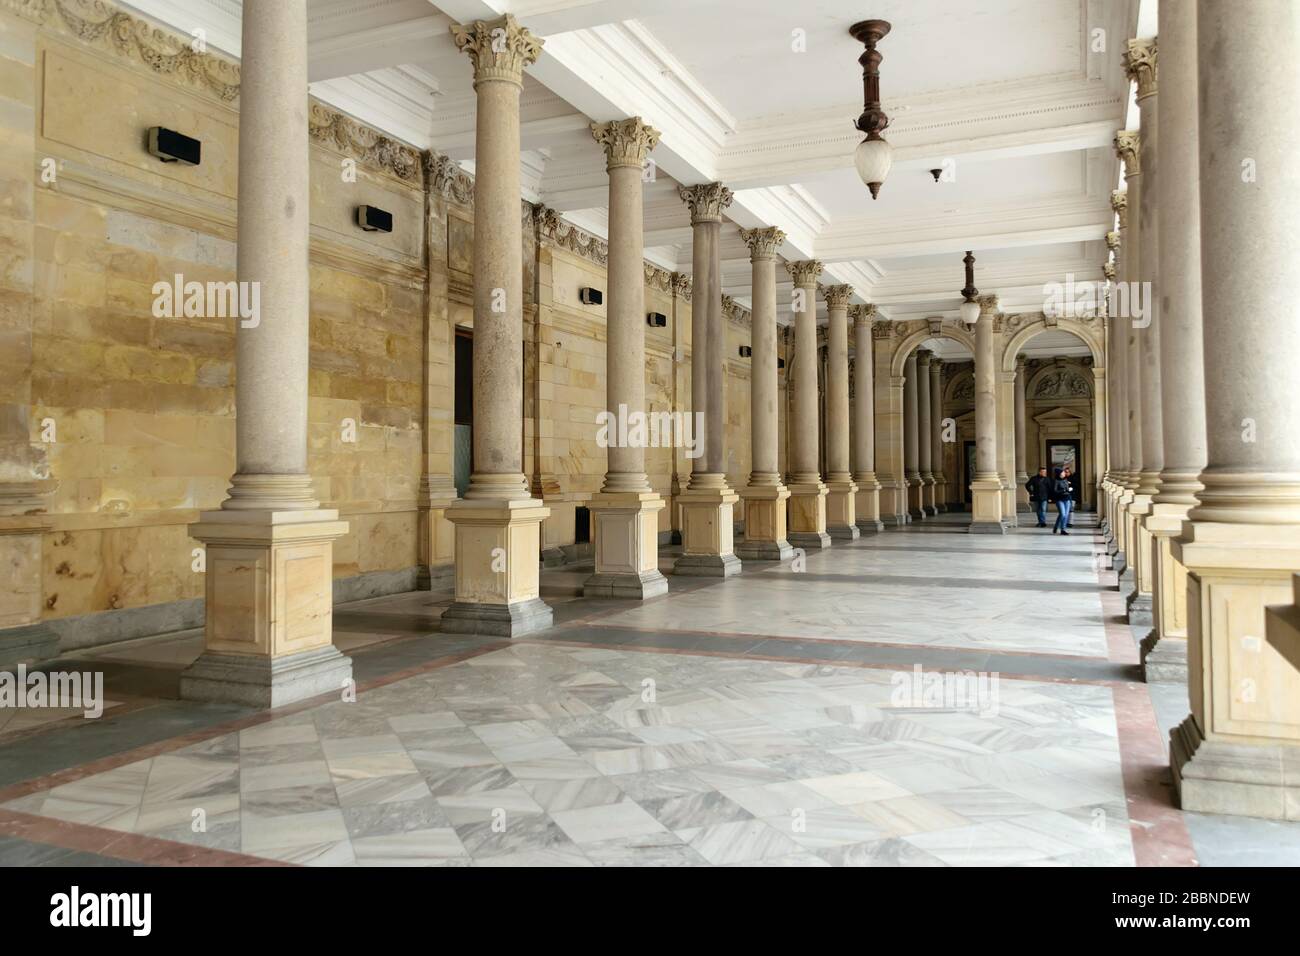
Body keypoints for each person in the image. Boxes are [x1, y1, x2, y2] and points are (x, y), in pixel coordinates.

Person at [1051, 466, 1073, 535]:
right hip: (1059, 499)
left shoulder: (1066, 480)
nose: (1064, 473)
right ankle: (1057, 527)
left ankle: (1062, 529)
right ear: (1059, 473)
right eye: (1063, 472)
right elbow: (1055, 491)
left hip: (1067, 499)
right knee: (1063, 514)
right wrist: (1064, 490)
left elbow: (1067, 489)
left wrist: (1069, 490)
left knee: (1065, 515)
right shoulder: (1056, 481)